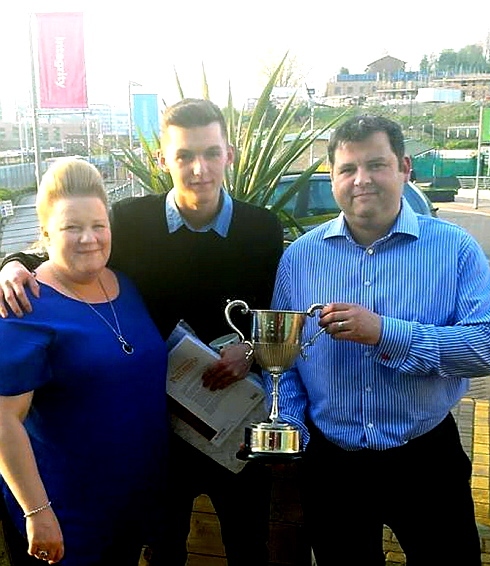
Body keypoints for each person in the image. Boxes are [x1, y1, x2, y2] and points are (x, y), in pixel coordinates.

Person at [0, 99, 284, 565]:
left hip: (233, 418)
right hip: (162, 433)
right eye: (184, 155)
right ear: (162, 160)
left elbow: (274, 312)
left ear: (229, 155)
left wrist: (250, 350)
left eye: (211, 153)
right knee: (163, 549)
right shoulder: (131, 222)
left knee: (249, 544)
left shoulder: (262, 229)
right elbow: (72, 246)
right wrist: (12, 264)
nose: (199, 168)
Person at [265, 115, 490, 565]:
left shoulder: (455, 249)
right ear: (332, 176)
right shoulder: (299, 257)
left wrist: (385, 333)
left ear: (405, 167)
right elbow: (286, 358)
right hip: (332, 465)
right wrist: (291, 429)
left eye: (376, 164)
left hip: (425, 458)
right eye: (347, 169)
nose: (362, 180)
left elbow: (486, 349)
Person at [0, 157, 169, 566]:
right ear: (44, 234)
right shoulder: (26, 306)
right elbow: (3, 420)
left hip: (128, 509)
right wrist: (38, 514)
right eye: (71, 227)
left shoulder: (124, 285)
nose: (88, 238)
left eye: (98, 225)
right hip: (64, 515)